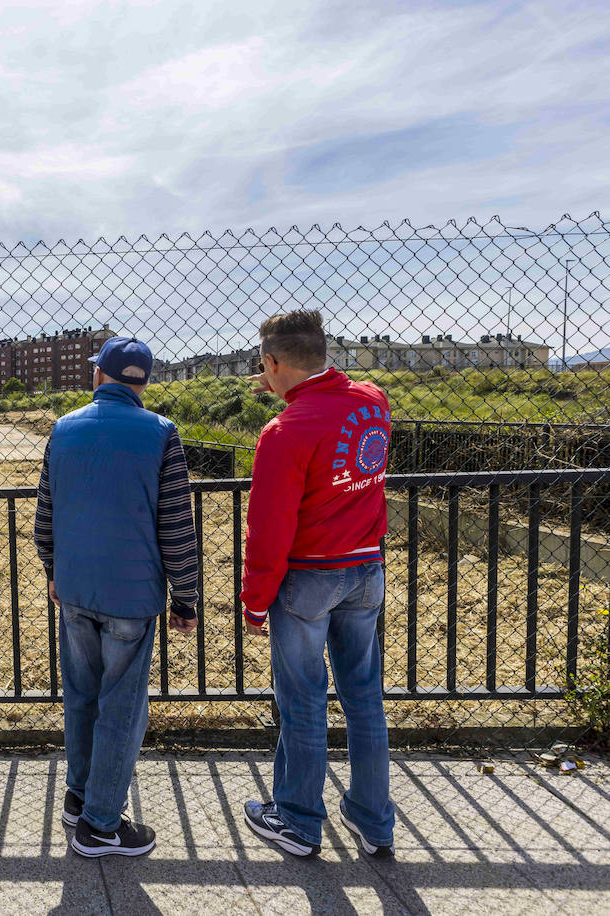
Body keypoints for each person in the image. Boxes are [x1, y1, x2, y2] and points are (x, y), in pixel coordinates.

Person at [34, 336, 200, 859]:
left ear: (100, 376)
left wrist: (55, 573)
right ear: (142, 383)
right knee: (122, 708)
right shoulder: (161, 433)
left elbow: (46, 518)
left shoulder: (63, 430)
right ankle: (102, 826)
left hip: (76, 590)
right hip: (132, 595)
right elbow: (176, 523)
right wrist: (186, 597)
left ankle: (79, 796)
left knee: (82, 695)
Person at [240, 309, 396, 859]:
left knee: (304, 701)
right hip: (366, 570)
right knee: (364, 699)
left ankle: (299, 821)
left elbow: (270, 528)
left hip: (308, 578)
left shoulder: (284, 433)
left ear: (273, 361)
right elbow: (340, 409)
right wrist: (289, 387)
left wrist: (255, 602)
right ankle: (375, 821)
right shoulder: (373, 402)